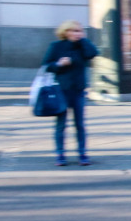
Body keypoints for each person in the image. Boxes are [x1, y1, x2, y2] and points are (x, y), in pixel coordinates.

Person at [42, 20, 100, 166]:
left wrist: (84, 40)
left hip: (79, 90)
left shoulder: (82, 46)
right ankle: (60, 154)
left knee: (80, 124)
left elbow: (93, 54)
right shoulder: (56, 46)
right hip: (61, 90)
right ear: (66, 32)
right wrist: (59, 64)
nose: (77, 34)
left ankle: (82, 153)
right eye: (74, 31)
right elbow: (47, 66)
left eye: (79, 31)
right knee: (61, 125)